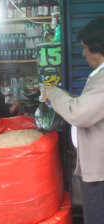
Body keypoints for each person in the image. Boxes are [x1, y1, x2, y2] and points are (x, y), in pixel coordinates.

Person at [43, 17, 104, 224]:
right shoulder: (99, 76)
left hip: (101, 173)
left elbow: (79, 113)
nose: (83, 54)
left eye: (85, 48)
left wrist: (53, 93)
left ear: (97, 49)